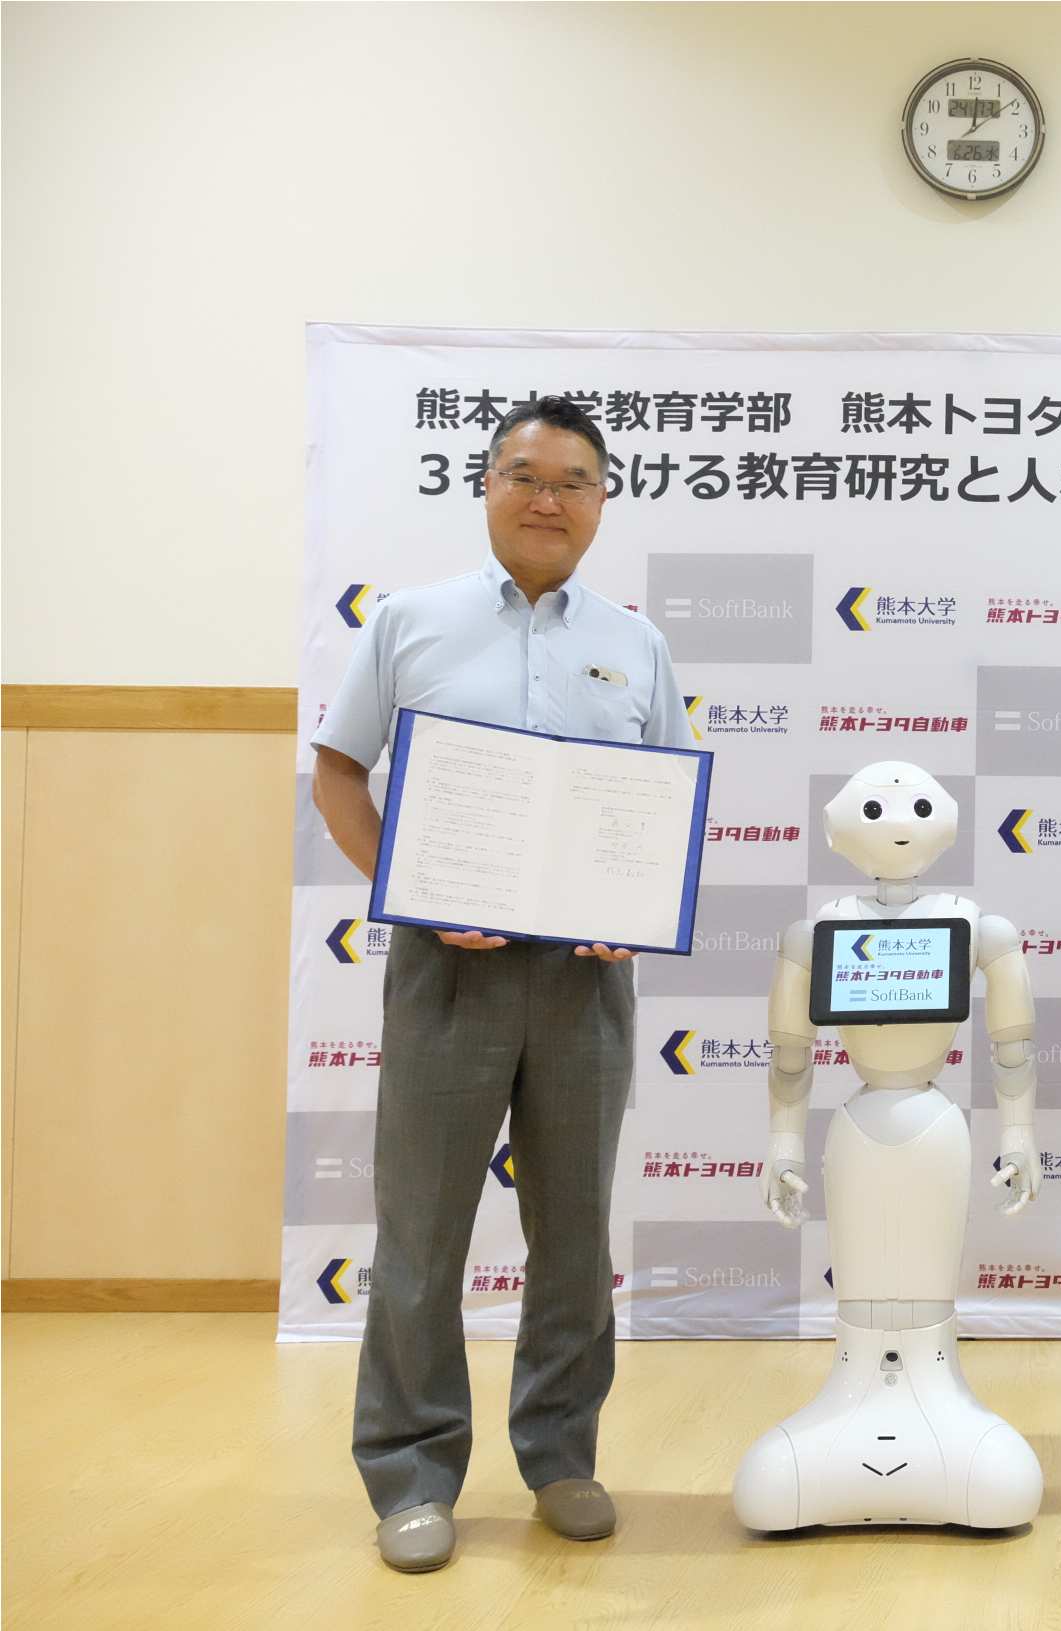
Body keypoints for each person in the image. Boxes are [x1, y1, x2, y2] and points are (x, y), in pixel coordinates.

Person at [311, 396, 692, 1571]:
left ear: (601, 502)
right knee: (421, 1234)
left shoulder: (634, 644)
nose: (547, 498)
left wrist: (635, 906)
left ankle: (561, 1453)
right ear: (485, 486)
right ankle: (412, 1471)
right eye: (525, 474)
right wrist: (411, 888)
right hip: (448, 975)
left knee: (573, 1235)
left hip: (584, 983)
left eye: (574, 480)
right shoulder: (410, 621)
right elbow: (337, 774)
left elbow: (661, 801)